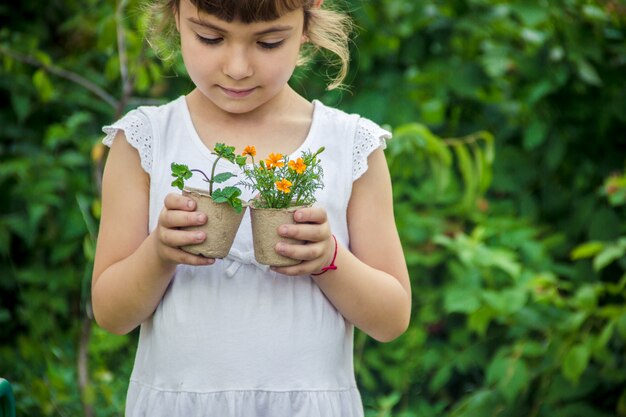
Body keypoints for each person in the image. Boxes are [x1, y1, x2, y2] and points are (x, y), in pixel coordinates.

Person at [92, 0, 411, 415]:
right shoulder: (146, 140)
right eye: (210, 37)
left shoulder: (348, 145)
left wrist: (328, 259)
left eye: (268, 42)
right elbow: (112, 315)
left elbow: (391, 319)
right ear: (175, 16)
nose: (238, 67)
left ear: (306, 23)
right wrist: (158, 253)